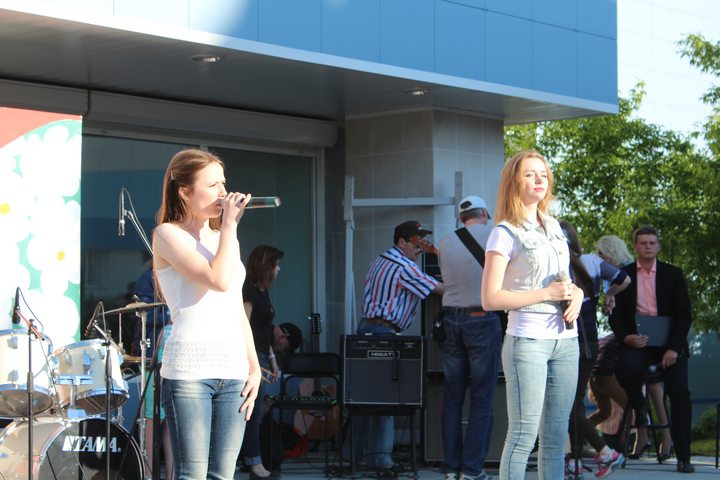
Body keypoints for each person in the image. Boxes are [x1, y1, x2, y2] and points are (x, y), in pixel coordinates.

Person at [152, 148, 261, 479]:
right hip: (190, 370)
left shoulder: (223, 237)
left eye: (223, 183)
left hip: (233, 368)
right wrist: (229, 226)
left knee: (223, 474)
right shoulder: (168, 234)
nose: (223, 192)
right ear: (185, 191)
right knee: (192, 474)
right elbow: (217, 279)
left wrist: (254, 367)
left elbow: (235, 307)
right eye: (213, 185)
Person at [481, 149, 583, 479]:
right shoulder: (504, 232)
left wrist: (578, 294)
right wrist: (546, 294)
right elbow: (490, 298)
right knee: (523, 435)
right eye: (529, 174)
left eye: (543, 174)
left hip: (566, 342)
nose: (539, 179)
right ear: (514, 182)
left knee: (555, 439)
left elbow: (566, 279)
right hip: (527, 342)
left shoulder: (555, 227)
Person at [357, 220, 444, 472]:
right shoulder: (404, 266)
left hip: (367, 329)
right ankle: (382, 461)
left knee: (364, 399)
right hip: (384, 333)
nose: (420, 248)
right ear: (402, 242)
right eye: (416, 242)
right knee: (387, 399)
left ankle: (358, 455)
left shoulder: (380, 259)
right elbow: (439, 289)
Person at [609, 226, 694, 473]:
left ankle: (684, 457)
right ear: (635, 246)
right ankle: (639, 406)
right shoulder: (623, 275)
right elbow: (614, 315)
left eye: (652, 243)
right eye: (643, 243)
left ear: (658, 246)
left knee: (680, 392)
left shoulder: (673, 274)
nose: (647, 247)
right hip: (638, 341)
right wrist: (626, 338)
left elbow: (685, 315)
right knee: (624, 368)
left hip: (670, 344)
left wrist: (673, 348)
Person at [437, 195, 500, 480]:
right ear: (484, 213)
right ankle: (472, 470)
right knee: (481, 398)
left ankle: (451, 469)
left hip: (451, 320)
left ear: (462, 218)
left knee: (452, 398)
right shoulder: (495, 236)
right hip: (481, 319)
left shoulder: (445, 241)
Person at [560, 222, 629, 479]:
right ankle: (574, 460)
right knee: (573, 403)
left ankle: (604, 452)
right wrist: (609, 293)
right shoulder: (591, 261)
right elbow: (624, 279)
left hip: (566, 343)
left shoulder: (553, 265)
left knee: (566, 406)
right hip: (589, 343)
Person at [594, 235, 672, 458]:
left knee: (651, 382)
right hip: (630, 334)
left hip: (643, 331)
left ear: (610, 252)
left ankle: (659, 436)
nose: (598, 257)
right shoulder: (611, 275)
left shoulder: (625, 272)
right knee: (642, 382)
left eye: (601, 253)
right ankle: (649, 436)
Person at [240, 244, 285, 479]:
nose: (278, 270)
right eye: (276, 265)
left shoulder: (262, 292)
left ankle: (252, 461)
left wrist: (272, 359)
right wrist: (252, 363)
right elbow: (244, 327)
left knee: (258, 412)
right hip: (252, 356)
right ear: (265, 266)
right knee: (254, 412)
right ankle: (254, 464)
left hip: (262, 355)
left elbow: (265, 329)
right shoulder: (248, 292)